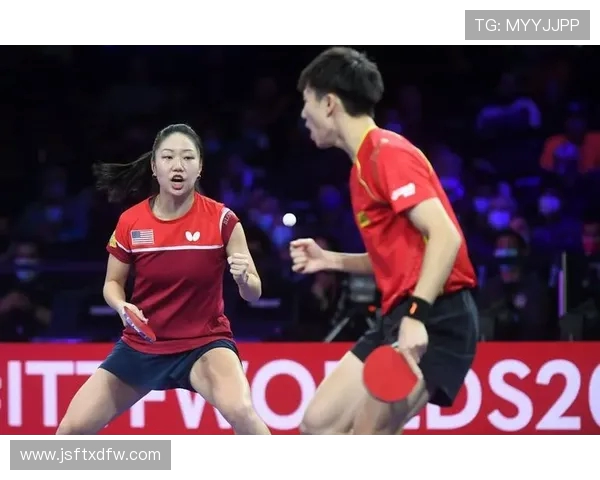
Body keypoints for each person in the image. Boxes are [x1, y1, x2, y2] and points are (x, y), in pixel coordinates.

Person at [290, 47, 478, 435]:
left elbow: (445, 236)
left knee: (369, 436)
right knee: (318, 425)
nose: (303, 115)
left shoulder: (387, 154)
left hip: (436, 314)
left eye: (306, 101)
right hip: (397, 314)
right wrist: (331, 260)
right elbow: (399, 258)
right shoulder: (362, 167)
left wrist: (417, 316)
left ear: (329, 103)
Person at [57, 123, 270, 435]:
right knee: (70, 429)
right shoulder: (131, 221)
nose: (178, 165)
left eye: (188, 157)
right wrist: (122, 307)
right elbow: (112, 284)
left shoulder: (223, 220)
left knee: (242, 412)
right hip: (141, 345)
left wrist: (243, 279)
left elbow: (254, 293)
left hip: (204, 344)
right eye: (168, 157)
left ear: (200, 167)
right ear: (154, 167)